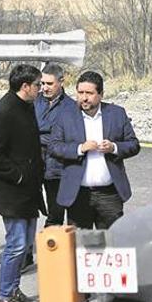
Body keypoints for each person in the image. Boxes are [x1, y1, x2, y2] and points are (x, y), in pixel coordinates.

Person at [0, 64, 44, 302]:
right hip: (13, 192)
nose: (41, 89)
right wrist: (18, 175)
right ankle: (4, 297)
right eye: (38, 85)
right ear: (25, 86)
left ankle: (15, 290)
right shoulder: (5, 111)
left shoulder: (25, 107)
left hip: (28, 191)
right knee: (16, 245)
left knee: (26, 243)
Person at [49, 71, 140, 229]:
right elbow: (54, 147)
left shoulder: (116, 114)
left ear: (101, 94)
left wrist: (114, 147)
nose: (84, 97)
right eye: (80, 92)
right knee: (81, 247)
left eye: (89, 93)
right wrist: (79, 148)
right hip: (78, 194)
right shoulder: (65, 116)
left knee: (111, 244)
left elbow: (133, 144)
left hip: (109, 194)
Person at [35, 62, 76, 228]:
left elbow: (68, 139)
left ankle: (59, 250)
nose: (45, 88)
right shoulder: (34, 101)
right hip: (36, 166)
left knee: (55, 214)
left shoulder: (71, 108)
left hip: (58, 168)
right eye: (42, 83)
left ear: (61, 82)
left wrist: (37, 136)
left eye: (49, 84)